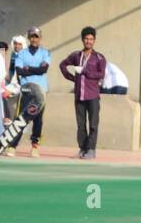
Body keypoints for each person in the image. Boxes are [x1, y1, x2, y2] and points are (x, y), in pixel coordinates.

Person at [59, 26, 107, 160]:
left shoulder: (99, 58)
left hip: (93, 96)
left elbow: (101, 74)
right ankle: (82, 149)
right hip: (79, 95)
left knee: (93, 124)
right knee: (80, 124)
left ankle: (91, 150)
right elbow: (62, 65)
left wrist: (84, 72)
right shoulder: (76, 55)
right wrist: (73, 78)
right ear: (82, 40)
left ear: (94, 41)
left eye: (91, 39)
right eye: (86, 39)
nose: (89, 41)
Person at [11, 27, 51, 156]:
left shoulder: (45, 53)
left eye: (36, 36)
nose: (34, 39)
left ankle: (35, 146)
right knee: (21, 117)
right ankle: (12, 146)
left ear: (40, 38)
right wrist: (35, 69)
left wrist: (29, 68)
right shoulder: (21, 53)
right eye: (32, 37)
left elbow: (43, 70)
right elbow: (20, 71)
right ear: (29, 38)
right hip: (26, 89)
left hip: (41, 90)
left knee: (38, 120)